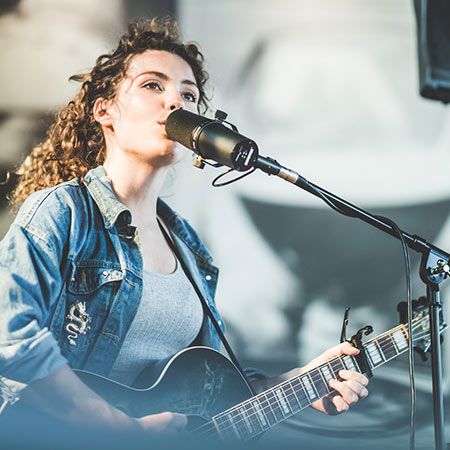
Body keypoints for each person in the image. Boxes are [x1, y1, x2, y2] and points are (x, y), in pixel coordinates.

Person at [0, 16, 368, 446]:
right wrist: (114, 426)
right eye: (153, 85)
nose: (176, 101)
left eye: (188, 94)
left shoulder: (193, 251)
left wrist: (298, 385)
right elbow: (9, 334)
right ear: (105, 110)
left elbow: (211, 393)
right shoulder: (65, 211)